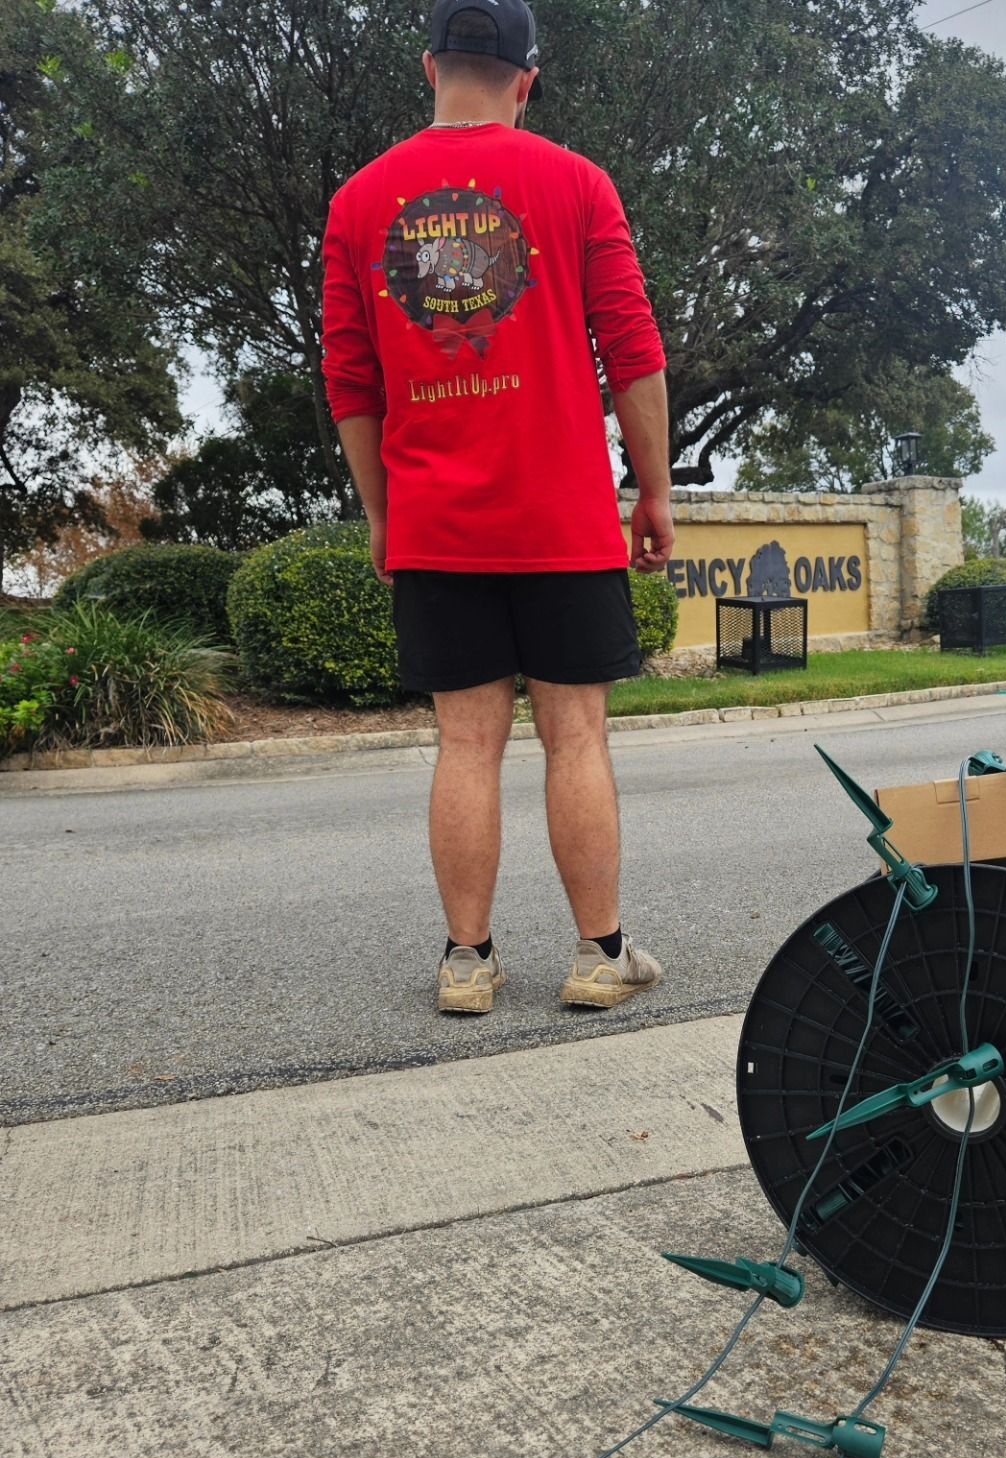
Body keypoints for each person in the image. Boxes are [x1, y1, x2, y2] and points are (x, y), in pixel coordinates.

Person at [320, 0, 673, 1015]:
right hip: (562, 520)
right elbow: (634, 353)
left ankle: (466, 964)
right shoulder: (578, 186)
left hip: (438, 526)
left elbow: (352, 382)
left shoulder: (358, 204)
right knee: (577, 738)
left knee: (465, 742)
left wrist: (387, 516)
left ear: (431, 67)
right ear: (526, 79)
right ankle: (600, 955)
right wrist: (651, 492)